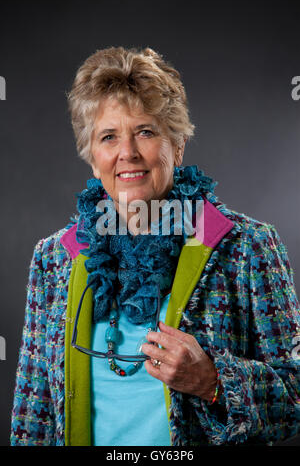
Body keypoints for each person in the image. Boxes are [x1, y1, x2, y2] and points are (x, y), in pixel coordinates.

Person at [11, 46, 300, 446]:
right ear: (93, 158)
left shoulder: (247, 248)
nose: (127, 153)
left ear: (177, 146)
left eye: (145, 131)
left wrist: (214, 380)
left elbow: (296, 396)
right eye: (108, 136)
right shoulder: (55, 259)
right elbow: (34, 417)